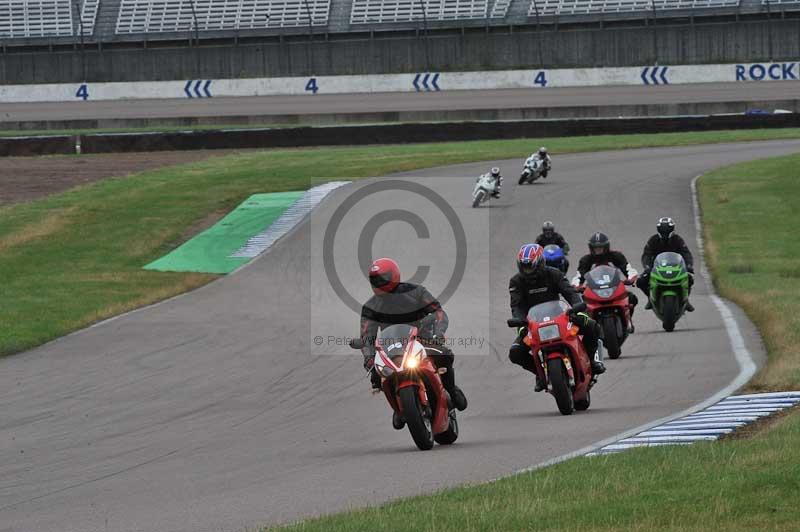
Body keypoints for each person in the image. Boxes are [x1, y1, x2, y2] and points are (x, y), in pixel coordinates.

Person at [360, 258, 468, 415]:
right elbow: (366, 336)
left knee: (444, 355)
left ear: (394, 276)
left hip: (422, 340)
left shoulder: (417, 292)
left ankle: (451, 389)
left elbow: (438, 312)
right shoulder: (370, 307)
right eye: (374, 280)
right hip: (392, 347)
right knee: (376, 375)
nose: (378, 283)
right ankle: (398, 408)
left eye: (381, 279)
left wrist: (438, 333)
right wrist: (369, 358)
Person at [509, 244, 606, 392]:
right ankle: (539, 372)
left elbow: (570, 292)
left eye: (529, 266)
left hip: (560, 316)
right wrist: (520, 322)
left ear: (540, 263)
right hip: (532, 323)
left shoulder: (554, 274)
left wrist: (578, 307)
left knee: (592, 326)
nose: (526, 270)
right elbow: (516, 306)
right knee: (515, 353)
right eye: (524, 267)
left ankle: (592, 360)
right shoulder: (516, 281)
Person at [572, 232, 639, 332]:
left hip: (613, 287)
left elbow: (628, 269)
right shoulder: (586, 260)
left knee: (632, 298)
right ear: (591, 248)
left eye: (600, 248)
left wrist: (630, 278)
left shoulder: (616, 256)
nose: (598, 250)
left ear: (606, 247)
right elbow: (579, 275)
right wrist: (577, 286)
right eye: (596, 248)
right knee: (581, 307)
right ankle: (588, 329)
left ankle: (628, 321)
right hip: (594, 290)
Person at [637, 217, 695, 312]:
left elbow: (686, 253)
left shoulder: (678, 240)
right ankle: (650, 298)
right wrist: (647, 267)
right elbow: (646, 255)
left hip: (676, 268)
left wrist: (689, 266)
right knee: (640, 281)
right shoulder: (653, 240)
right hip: (656, 268)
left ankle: (685, 300)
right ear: (658, 230)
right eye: (662, 231)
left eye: (667, 230)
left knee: (689, 278)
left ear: (672, 229)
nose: (665, 233)